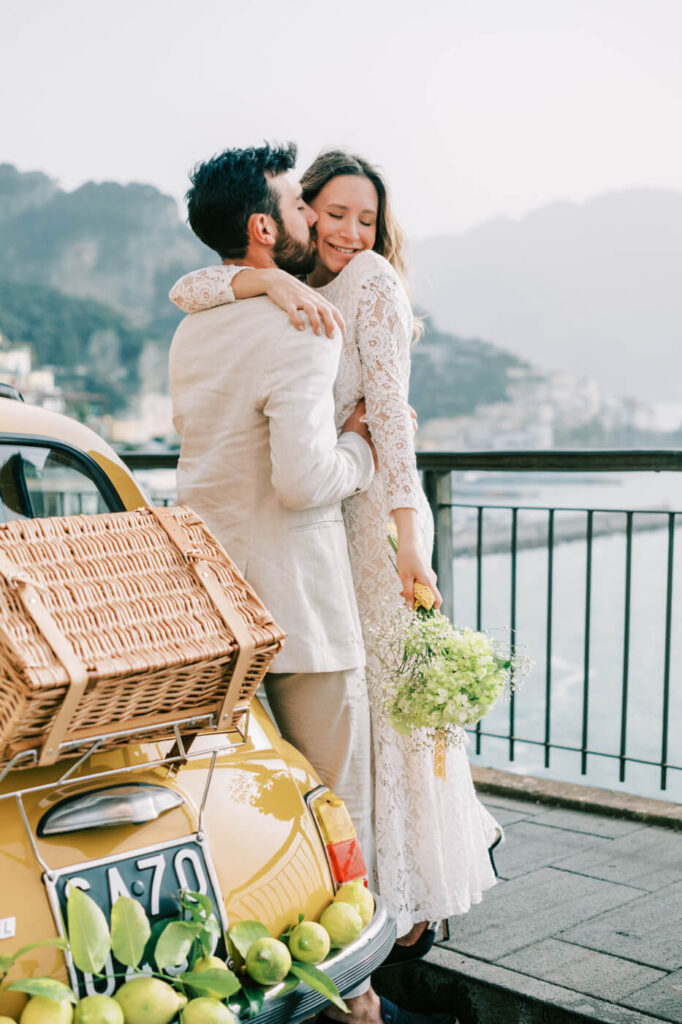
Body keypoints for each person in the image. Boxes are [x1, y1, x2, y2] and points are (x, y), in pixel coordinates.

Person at [171, 150, 500, 973]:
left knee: (394, 729)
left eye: (367, 218)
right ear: (296, 216)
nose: (346, 230)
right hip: (314, 544)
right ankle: (355, 950)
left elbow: (393, 417)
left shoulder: (366, 287)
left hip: (357, 534)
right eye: (327, 211)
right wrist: (269, 284)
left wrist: (410, 541)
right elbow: (323, 455)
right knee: (340, 770)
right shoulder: (295, 307)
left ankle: (402, 904)